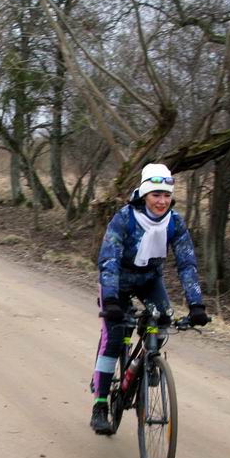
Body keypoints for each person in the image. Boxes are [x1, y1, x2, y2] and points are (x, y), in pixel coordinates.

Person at [90, 163, 209, 434]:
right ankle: (100, 404)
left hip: (148, 280)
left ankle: (148, 357)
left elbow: (187, 264)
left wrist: (196, 304)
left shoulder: (174, 222)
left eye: (167, 195)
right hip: (117, 281)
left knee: (163, 317)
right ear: (144, 195)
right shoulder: (125, 218)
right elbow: (109, 260)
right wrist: (110, 301)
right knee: (115, 336)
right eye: (156, 195)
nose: (162, 201)